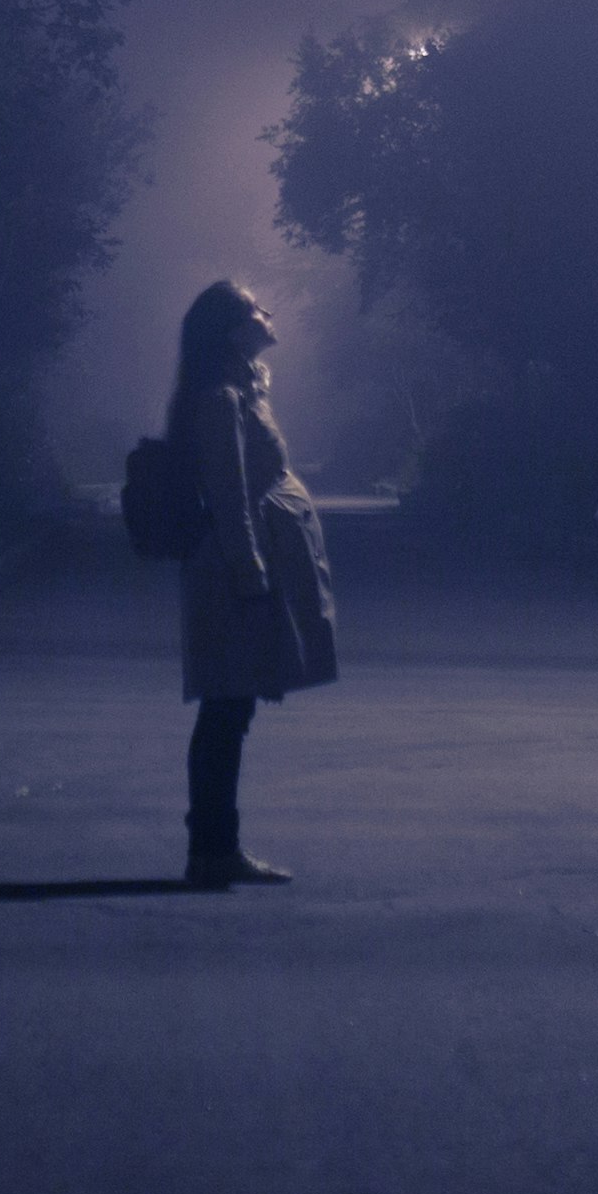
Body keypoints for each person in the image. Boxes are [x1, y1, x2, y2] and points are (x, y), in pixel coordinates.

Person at [167, 277, 334, 885]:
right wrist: (252, 575)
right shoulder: (221, 399)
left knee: (231, 709)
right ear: (233, 329)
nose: (269, 311)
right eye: (256, 307)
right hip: (232, 572)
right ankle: (211, 851)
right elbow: (229, 494)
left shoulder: (242, 389)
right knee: (225, 708)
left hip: (243, 566)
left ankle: (216, 848)